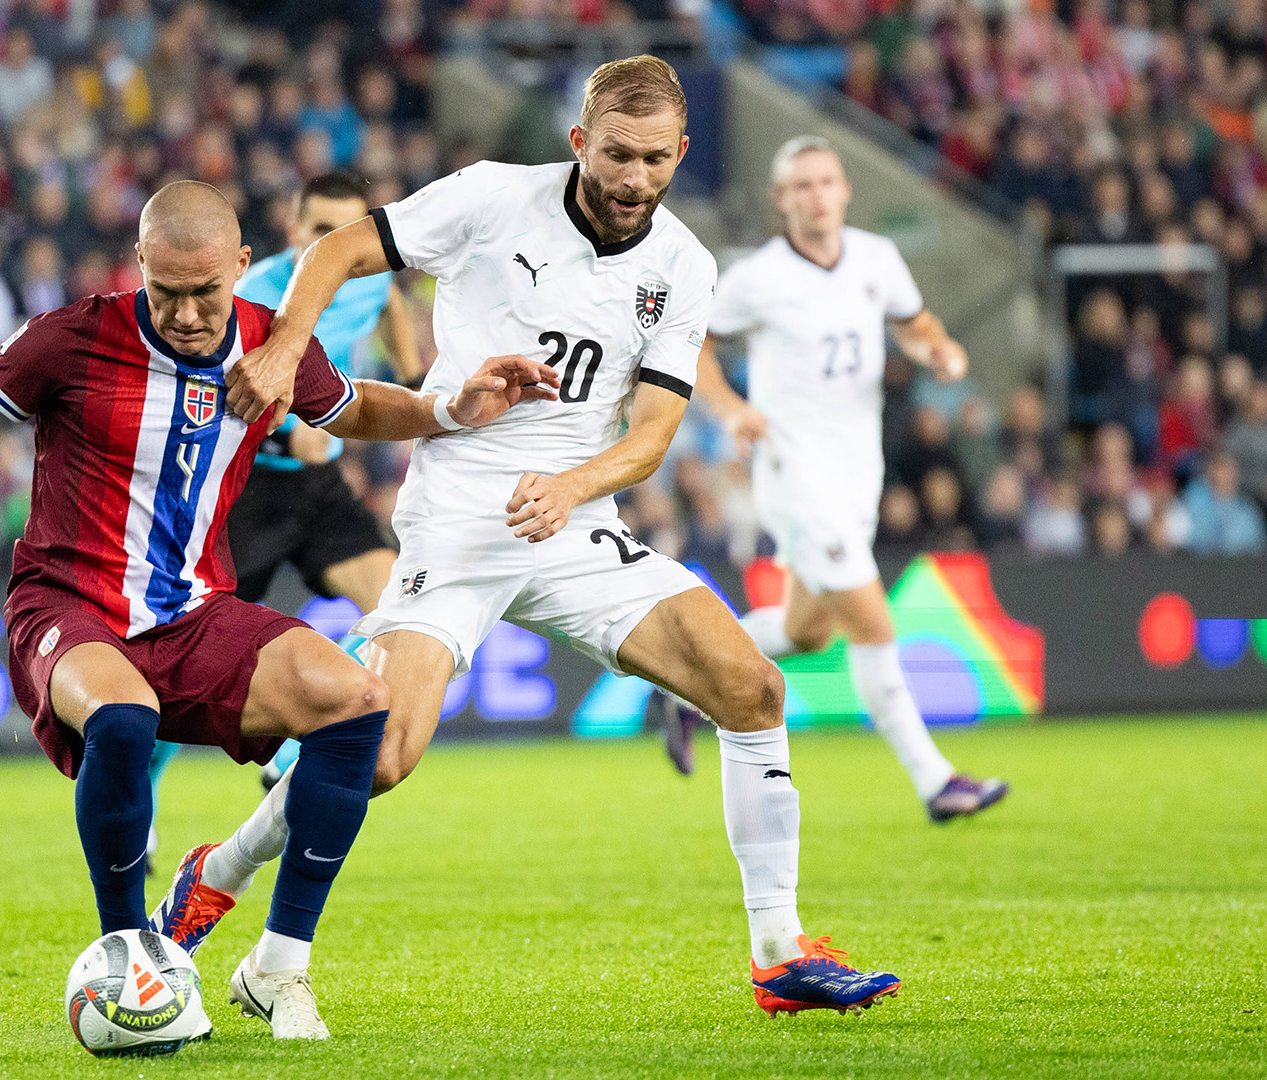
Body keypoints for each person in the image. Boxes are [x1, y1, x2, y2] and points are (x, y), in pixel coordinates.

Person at [0, 181, 558, 1040]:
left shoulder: (269, 344)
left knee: (356, 705)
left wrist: (452, 406)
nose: (183, 314)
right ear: (138, 264)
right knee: (126, 717)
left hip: (193, 613)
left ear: (243, 265)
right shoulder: (72, 339)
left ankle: (279, 965)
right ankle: (132, 951)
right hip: (68, 604)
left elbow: (356, 408)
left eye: (204, 292)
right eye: (164, 292)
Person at [161, 57, 903, 1017]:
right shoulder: (491, 200)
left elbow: (652, 435)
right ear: (578, 142)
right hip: (462, 519)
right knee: (378, 757)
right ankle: (219, 869)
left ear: (681, 153)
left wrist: (572, 487)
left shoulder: (683, 264)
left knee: (752, 687)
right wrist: (286, 346)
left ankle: (779, 954)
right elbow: (336, 251)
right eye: (616, 155)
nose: (634, 179)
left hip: (578, 523)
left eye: (654, 159)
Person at [675, 136, 1010, 824]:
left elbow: (915, 326)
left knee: (807, 634)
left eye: (827, 181)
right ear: (781, 200)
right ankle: (936, 780)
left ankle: (681, 683)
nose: (817, 195)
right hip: (794, 471)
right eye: (802, 185)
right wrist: (731, 408)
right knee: (872, 622)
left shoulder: (876, 259)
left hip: (859, 470)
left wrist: (938, 351)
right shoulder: (757, 276)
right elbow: (695, 341)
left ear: (846, 190)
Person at [144, 171, 427, 839]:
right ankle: (140, 787)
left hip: (318, 486)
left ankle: (298, 750)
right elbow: (204, 386)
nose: (337, 245)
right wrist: (283, 418)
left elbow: (384, 306)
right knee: (184, 656)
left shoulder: (371, 278)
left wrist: (413, 372)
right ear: (295, 232)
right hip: (243, 487)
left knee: (401, 604)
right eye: (322, 231)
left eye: (349, 232)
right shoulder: (254, 296)